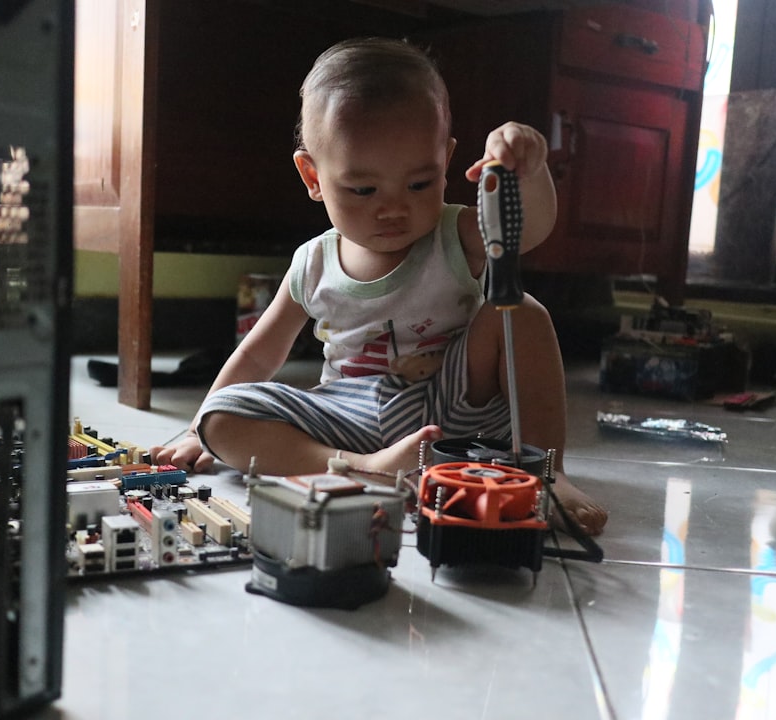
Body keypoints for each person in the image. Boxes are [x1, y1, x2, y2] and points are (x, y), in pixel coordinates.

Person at [152, 37, 608, 536]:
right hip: (349, 414)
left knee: (520, 310)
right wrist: (198, 430)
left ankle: (546, 472)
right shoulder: (313, 263)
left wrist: (531, 170)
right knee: (223, 416)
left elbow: (530, 231)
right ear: (313, 176)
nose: (393, 208)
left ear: (446, 160)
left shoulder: (456, 236)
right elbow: (258, 357)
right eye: (363, 189)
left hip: (454, 401)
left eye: (419, 184)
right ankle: (361, 466)